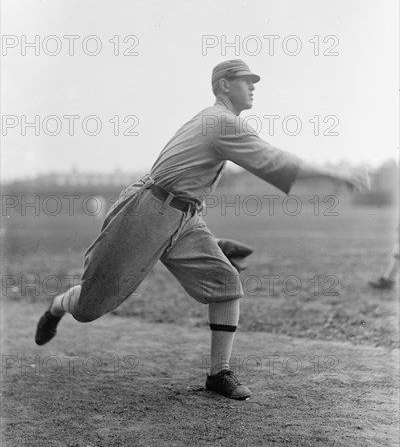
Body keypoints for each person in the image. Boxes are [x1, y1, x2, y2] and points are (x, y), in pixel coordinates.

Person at [35, 59, 370, 400]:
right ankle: (58, 305)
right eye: (245, 80)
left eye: (253, 81)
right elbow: (274, 161)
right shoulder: (220, 121)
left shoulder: (218, 122)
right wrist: (336, 173)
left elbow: (190, 181)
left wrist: (207, 241)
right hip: (146, 212)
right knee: (89, 308)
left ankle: (218, 373)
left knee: (226, 282)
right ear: (224, 85)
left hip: (182, 216)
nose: (253, 86)